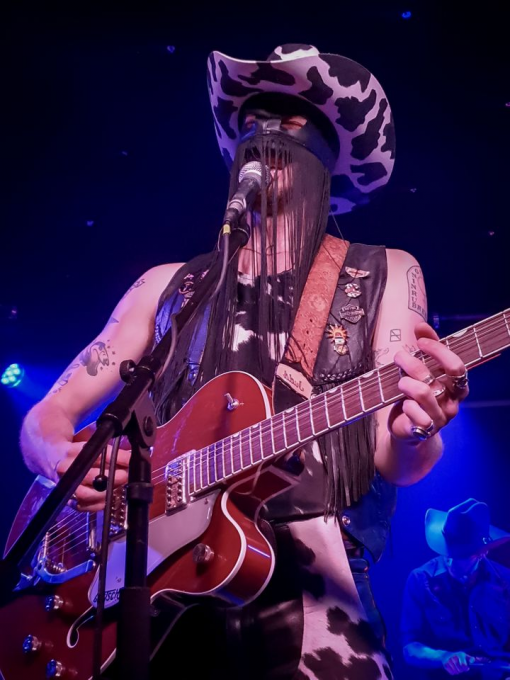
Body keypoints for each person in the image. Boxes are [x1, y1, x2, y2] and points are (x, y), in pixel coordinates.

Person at [19, 44, 471, 679]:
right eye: (252, 125)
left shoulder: (384, 271)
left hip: (313, 583)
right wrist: (53, 456)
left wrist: (418, 428)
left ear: (325, 161)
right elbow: (49, 414)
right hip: (157, 587)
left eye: (289, 126)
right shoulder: (168, 284)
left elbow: (396, 461)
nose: (265, 139)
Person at [401, 498, 510, 679]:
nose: (450, 559)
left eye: (461, 555)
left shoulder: (506, 581)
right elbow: (410, 648)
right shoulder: (420, 579)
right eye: (447, 551)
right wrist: (444, 657)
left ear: (482, 552)